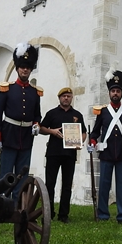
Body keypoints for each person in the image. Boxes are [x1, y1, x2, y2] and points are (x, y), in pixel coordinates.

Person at [88, 66, 122, 225]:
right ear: (109, 93)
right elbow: (95, 132)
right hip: (106, 154)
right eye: (113, 91)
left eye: (118, 91)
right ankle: (103, 214)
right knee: (104, 185)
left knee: (121, 187)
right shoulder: (103, 112)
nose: (115, 93)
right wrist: (92, 142)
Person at [0, 42, 42, 197]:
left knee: (22, 174)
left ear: (31, 69)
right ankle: (1, 204)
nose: (25, 70)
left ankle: (17, 205)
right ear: (17, 68)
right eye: (22, 67)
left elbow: (37, 114)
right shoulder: (7, 88)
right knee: (6, 173)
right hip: (9, 134)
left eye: (28, 67)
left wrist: (36, 124)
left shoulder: (35, 92)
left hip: (26, 137)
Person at [39, 87, 87, 223]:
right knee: (50, 184)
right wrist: (52, 132)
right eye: (64, 96)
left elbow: (83, 132)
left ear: (72, 98)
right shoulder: (52, 113)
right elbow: (41, 128)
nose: (66, 98)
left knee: (67, 185)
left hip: (70, 154)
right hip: (53, 153)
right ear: (59, 98)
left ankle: (63, 215)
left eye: (68, 96)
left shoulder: (77, 115)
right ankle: (48, 213)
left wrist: (80, 141)